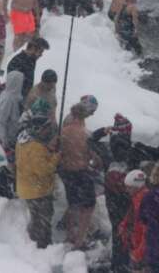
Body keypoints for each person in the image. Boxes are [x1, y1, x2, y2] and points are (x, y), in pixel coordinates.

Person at [15, 98, 60, 249]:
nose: (48, 131)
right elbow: (44, 171)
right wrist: (55, 157)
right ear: (39, 129)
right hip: (38, 191)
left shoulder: (23, 140)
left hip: (26, 187)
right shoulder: (35, 147)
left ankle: (35, 243)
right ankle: (43, 247)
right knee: (43, 221)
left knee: (36, 219)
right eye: (46, 128)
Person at [59, 100, 101, 250]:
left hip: (66, 172)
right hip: (81, 172)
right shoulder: (85, 134)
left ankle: (70, 234)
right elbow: (95, 158)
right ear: (83, 117)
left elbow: (55, 149)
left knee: (72, 204)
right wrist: (95, 161)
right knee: (88, 206)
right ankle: (80, 240)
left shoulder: (63, 131)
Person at [115, 169, 149, 273]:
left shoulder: (142, 201)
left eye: (129, 187)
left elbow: (147, 230)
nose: (126, 190)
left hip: (141, 249)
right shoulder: (139, 198)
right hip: (138, 246)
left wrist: (138, 252)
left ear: (136, 187)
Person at [0, 70, 25, 164]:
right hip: (8, 138)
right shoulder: (7, 99)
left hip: (14, 135)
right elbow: (1, 121)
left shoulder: (15, 96)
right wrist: (4, 142)